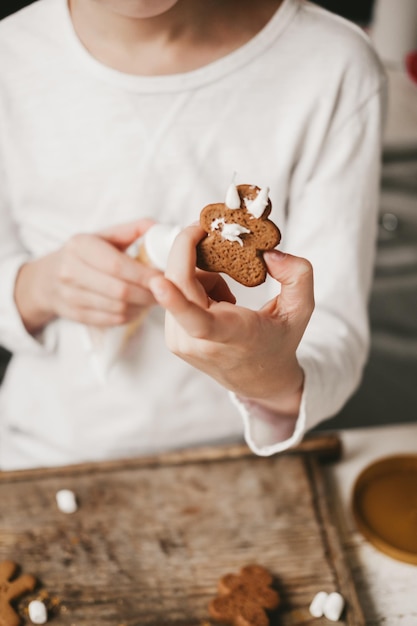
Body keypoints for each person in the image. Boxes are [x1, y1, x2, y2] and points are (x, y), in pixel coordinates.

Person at [0, 0, 385, 470]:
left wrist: (264, 374)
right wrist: (36, 287)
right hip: (42, 451)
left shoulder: (333, 64)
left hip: (243, 458)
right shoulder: (11, 56)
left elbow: (335, 340)